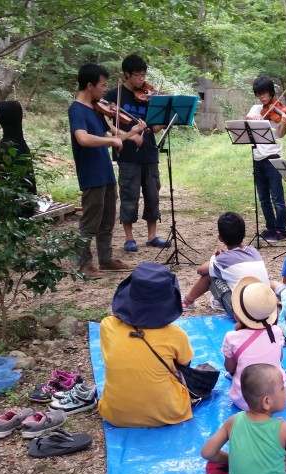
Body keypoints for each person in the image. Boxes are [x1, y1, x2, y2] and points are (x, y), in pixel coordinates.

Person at [68, 63, 144, 278]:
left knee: (108, 219)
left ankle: (106, 259)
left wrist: (134, 131)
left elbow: (114, 133)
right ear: (90, 85)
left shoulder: (96, 108)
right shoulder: (77, 110)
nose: (105, 89)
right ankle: (84, 264)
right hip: (91, 172)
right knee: (90, 221)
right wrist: (110, 141)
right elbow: (83, 138)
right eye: (102, 85)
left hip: (105, 171)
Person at [99, 263, 194, 427]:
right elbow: (185, 364)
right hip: (169, 412)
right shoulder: (176, 335)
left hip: (115, 414)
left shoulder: (107, 325)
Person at [104, 54, 171, 253]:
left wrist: (166, 119)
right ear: (126, 74)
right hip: (127, 153)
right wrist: (128, 134)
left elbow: (155, 128)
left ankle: (152, 236)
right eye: (137, 75)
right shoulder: (113, 96)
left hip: (149, 151)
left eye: (143, 74)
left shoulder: (150, 96)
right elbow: (107, 125)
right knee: (129, 195)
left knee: (152, 194)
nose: (141, 79)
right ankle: (129, 238)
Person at [183, 212, 269, 315]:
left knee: (209, 275)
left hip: (244, 314)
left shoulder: (222, 260)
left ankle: (187, 302)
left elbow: (200, 270)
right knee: (225, 273)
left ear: (220, 238)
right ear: (244, 234)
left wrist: (215, 257)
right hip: (266, 308)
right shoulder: (253, 251)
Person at [222, 277, 286, 411]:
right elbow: (279, 359)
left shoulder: (232, 337)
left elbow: (230, 367)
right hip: (276, 400)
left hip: (244, 399)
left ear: (237, 314)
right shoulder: (276, 332)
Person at [246, 75, 286, 242]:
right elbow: (247, 119)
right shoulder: (256, 109)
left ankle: (281, 230)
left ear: (272, 92)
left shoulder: (279, 111)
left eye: (264, 93)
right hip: (257, 158)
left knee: (277, 198)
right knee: (263, 198)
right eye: (259, 94)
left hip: (273, 158)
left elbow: (280, 134)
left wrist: (285, 123)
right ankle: (270, 228)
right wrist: (254, 117)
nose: (262, 97)